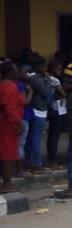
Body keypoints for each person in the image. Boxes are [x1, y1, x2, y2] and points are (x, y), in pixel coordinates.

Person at [0, 61, 25, 192]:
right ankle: (7, 184)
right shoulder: (10, 87)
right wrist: (18, 122)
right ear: (9, 72)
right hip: (8, 124)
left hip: (4, 122)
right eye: (15, 70)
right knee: (7, 154)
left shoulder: (3, 85)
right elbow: (9, 107)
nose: (18, 72)